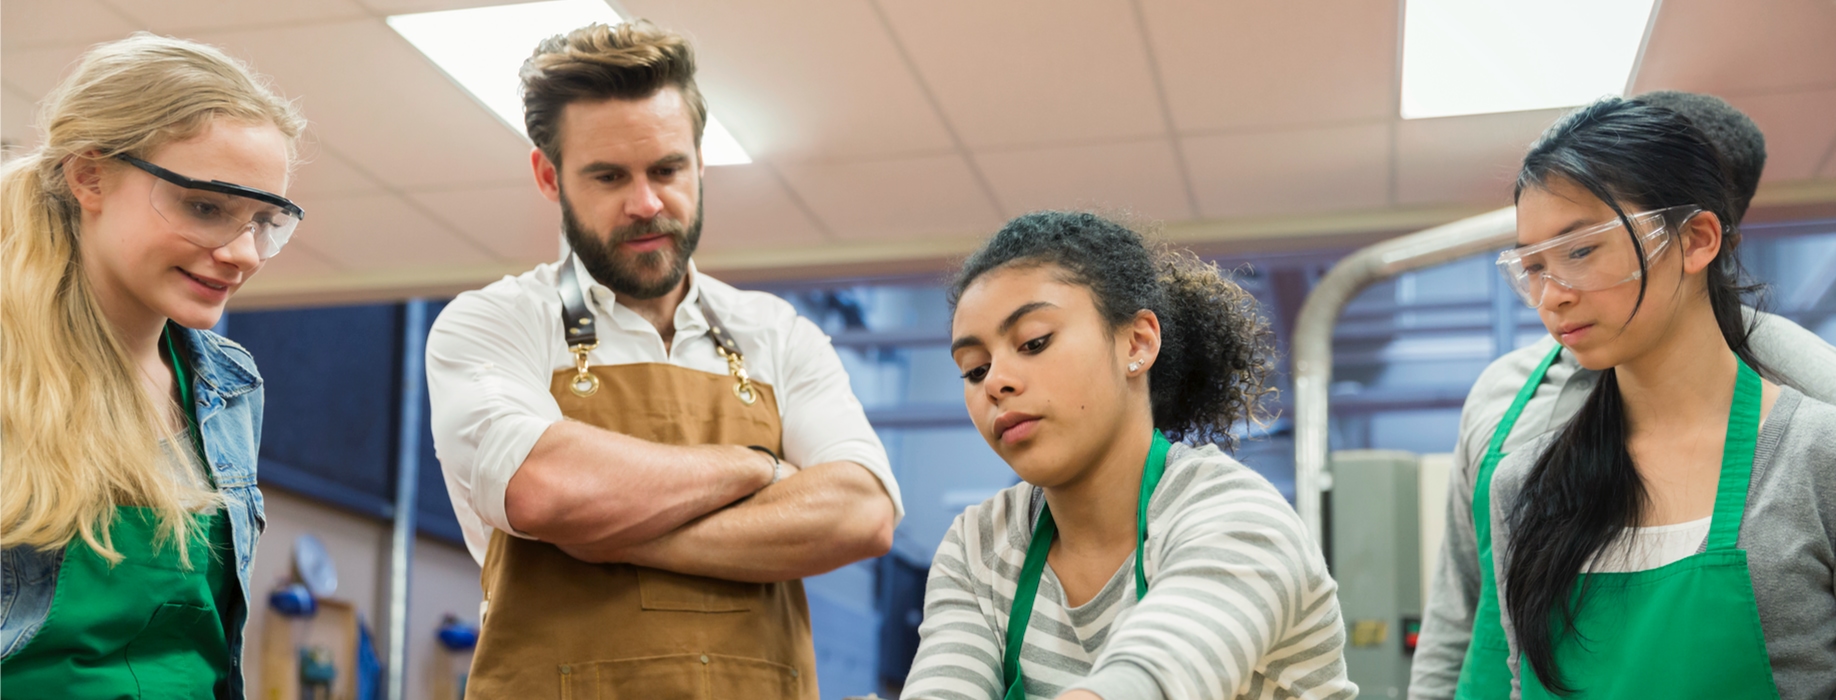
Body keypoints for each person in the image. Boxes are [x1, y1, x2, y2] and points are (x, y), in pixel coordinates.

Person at [424, 20, 903, 698]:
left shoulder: (778, 333)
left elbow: (861, 513)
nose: (646, 203)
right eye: (609, 176)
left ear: (700, 161)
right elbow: (545, 490)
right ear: (548, 175)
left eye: (668, 170)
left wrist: (610, 536)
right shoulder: (494, 323)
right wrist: (759, 467)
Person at [1408, 93, 1836, 699]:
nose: (1551, 295)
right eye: (1532, 265)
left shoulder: (1818, 456)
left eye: (1581, 250)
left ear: (1696, 240)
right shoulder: (1525, 485)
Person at [902, 211, 1357, 700]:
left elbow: (1145, 681)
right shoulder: (979, 547)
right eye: (975, 369)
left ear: (1137, 343)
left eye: (1034, 342)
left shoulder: (1237, 516)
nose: (995, 382)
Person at [0, 33, 306, 699]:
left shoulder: (227, 386)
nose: (244, 252)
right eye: (206, 207)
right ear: (89, 176)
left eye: (262, 220)